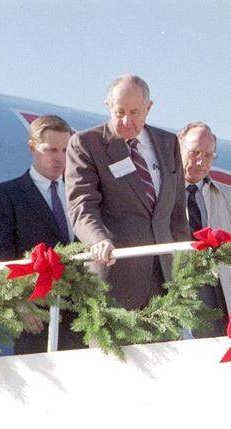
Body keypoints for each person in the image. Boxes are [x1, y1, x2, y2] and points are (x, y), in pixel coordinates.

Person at [65, 74, 187, 311]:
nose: (126, 121)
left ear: (149, 108)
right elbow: (82, 205)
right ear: (108, 106)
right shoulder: (87, 144)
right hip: (115, 278)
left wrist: (182, 264)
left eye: (135, 113)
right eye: (119, 112)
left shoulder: (167, 143)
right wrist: (98, 241)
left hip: (165, 281)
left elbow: (176, 213)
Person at [0, 114, 84, 353]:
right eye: (51, 150)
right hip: (35, 316)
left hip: (80, 316)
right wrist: (19, 303)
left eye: (64, 150)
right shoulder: (7, 195)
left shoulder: (80, 195)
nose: (59, 158)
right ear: (32, 147)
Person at [177, 121, 231, 336]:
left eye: (209, 155)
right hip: (180, 290)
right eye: (194, 152)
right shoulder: (159, 194)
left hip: (222, 293)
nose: (201, 161)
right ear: (177, 149)